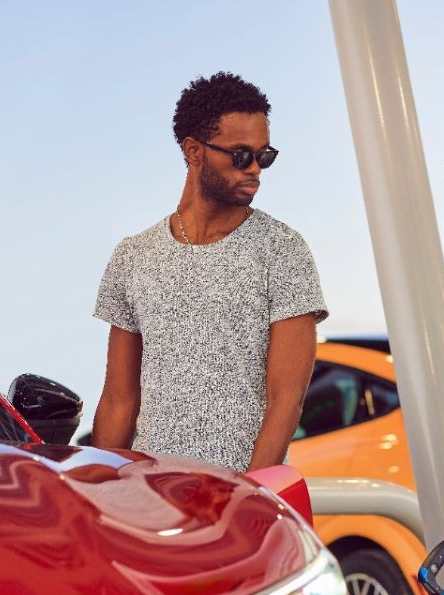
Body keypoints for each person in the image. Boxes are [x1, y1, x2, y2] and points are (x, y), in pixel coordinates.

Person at [91, 71, 327, 473]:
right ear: (194, 151)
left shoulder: (283, 250)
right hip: (151, 496)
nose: (254, 168)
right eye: (240, 155)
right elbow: (119, 399)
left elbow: (286, 400)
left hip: (240, 501)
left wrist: (251, 495)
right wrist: (98, 490)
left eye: (264, 155)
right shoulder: (133, 256)